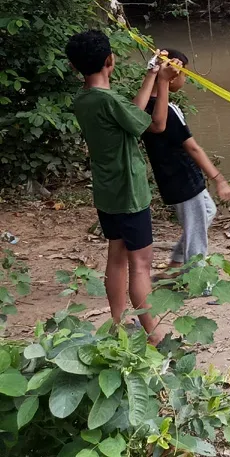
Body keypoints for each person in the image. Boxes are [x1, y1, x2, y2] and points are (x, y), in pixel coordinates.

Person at [67, 30, 179, 345]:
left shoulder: (85, 100)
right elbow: (156, 124)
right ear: (110, 60)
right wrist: (163, 83)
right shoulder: (109, 101)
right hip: (130, 193)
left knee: (116, 256)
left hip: (107, 192)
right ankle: (154, 336)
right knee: (140, 266)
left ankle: (118, 326)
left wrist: (151, 74)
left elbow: (130, 114)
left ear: (74, 67)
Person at [142, 49, 230, 269]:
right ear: (173, 74)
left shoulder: (144, 105)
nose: (184, 79)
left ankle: (176, 264)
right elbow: (192, 148)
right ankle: (196, 278)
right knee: (196, 232)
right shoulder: (167, 111)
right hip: (182, 178)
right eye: (184, 74)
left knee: (208, 212)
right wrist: (219, 179)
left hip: (172, 177)